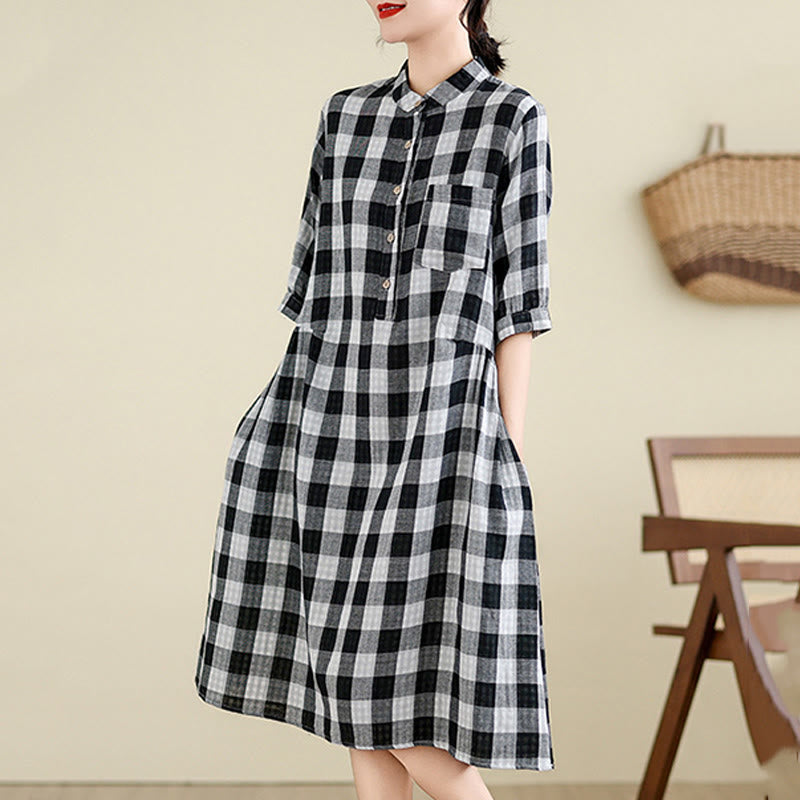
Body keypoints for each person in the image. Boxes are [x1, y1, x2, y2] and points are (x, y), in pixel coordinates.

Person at [194, 1, 555, 797]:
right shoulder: (345, 117)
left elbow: (519, 309)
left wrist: (505, 454)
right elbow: (314, 294)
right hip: (327, 430)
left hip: (442, 442)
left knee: (386, 706)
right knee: (355, 707)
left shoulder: (511, 118)